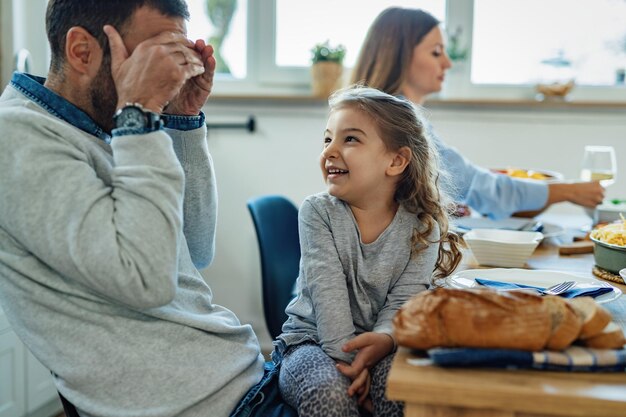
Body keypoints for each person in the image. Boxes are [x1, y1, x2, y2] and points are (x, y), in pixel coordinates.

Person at [0, 1, 295, 416]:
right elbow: (147, 280)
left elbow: (193, 250)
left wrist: (181, 121)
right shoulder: (18, 137)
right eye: (153, 56)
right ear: (82, 51)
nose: (169, 73)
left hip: (244, 379)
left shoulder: (106, 126)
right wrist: (139, 114)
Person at [274, 86, 464, 416]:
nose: (330, 151)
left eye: (350, 139)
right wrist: (349, 362)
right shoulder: (318, 213)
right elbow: (327, 293)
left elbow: (404, 299)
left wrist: (387, 339)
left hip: (383, 344)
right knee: (330, 395)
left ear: (396, 160)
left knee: (406, 391)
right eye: (327, 139)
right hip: (311, 342)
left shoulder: (423, 226)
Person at [350, 7, 605, 220]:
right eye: (436, 51)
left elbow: (457, 184)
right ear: (401, 56)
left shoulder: (383, 115)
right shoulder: (398, 122)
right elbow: (480, 188)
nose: (447, 62)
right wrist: (568, 191)